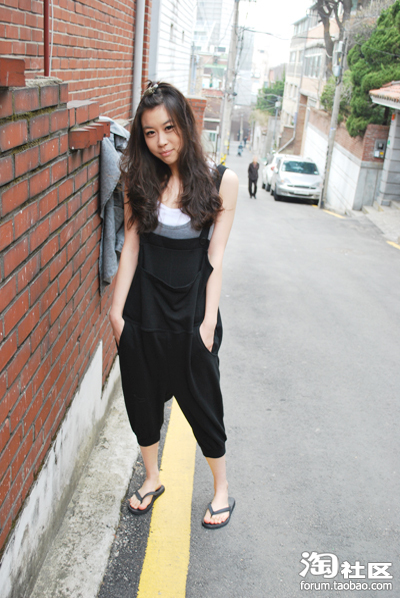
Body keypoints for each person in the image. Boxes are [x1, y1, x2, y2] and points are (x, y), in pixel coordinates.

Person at [109, 81, 239, 529]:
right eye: (149, 132)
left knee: (203, 401)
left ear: (185, 123)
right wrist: (115, 312)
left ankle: (221, 489)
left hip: (191, 312)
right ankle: (152, 478)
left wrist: (207, 323)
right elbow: (130, 246)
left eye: (168, 128)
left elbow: (216, 257)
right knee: (141, 397)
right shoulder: (138, 179)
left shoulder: (222, 181)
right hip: (143, 308)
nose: (161, 141)